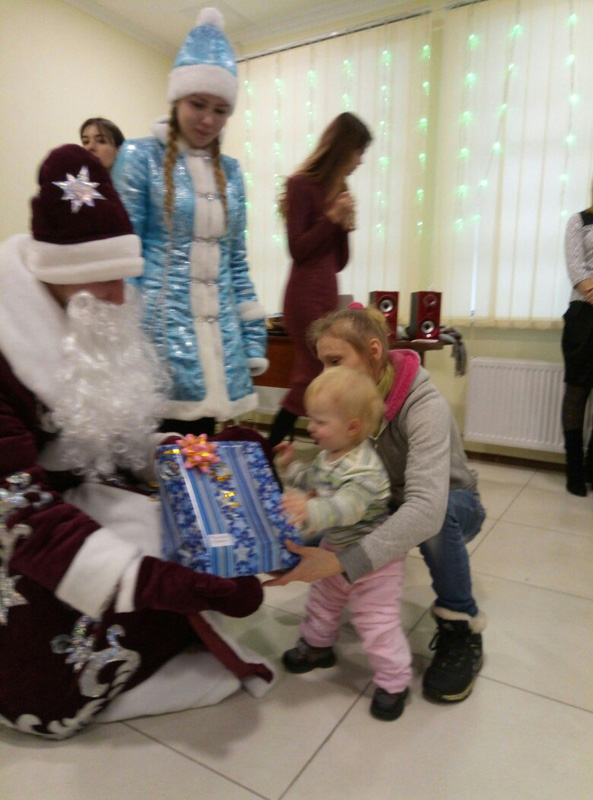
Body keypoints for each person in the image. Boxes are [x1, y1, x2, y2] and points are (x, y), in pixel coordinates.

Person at [0, 143, 274, 740]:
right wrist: (157, 581)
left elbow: (113, 440)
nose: (122, 298)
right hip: (17, 526)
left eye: (126, 277)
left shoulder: (84, 317)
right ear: (59, 275)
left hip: (65, 503)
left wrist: (190, 456)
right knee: (42, 669)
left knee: (176, 533)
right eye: (107, 280)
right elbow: (17, 511)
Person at [265, 306, 486, 703]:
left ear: (373, 351)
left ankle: (460, 626)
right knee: (302, 547)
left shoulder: (425, 406)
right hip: (382, 505)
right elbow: (334, 475)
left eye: (335, 361)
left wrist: (343, 562)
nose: (326, 373)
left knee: (435, 521)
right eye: (322, 363)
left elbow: (425, 509)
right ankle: (319, 637)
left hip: (451, 504)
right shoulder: (350, 403)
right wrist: (303, 491)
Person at [112, 8, 267, 438]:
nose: (208, 120)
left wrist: (251, 341)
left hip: (219, 349)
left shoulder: (231, 172)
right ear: (176, 99)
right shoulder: (138, 157)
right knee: (156, 457)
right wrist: (121, 341)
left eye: (221, 110)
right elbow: (124, 256)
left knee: (205, 454)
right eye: (198, 104)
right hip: (156, 342)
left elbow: (236, 262)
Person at [276, 367, 412, 721]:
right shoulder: (330, 453)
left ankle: (394, 682)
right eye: (311, 419)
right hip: (337, 551)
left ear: (352, 427)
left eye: (320, 422)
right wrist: (291, 469)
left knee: (376, 623)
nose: (311, 428)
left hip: (375, 561)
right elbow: (315, 479)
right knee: (323, 600)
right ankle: (318, 646)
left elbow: (347, 507)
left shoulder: (364, 469)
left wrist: (309, 510)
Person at [267, 112, 373, 448]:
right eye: (358, 151)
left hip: (326, 295)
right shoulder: (301, 185)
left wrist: (344, 225)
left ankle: (310, 450)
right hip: (304, 296)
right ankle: (271, 453)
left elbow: (339, 262)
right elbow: (298, 250)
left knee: (320, 373)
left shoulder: (338, 191)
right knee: (316, 373)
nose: (360, 160)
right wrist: (331, 218)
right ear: (343, 148)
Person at [561, 201, 593, 496]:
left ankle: (591, 467)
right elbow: (577, 268)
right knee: (577, 391)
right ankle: (574, 471)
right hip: (584, 314)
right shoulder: (579, 221)